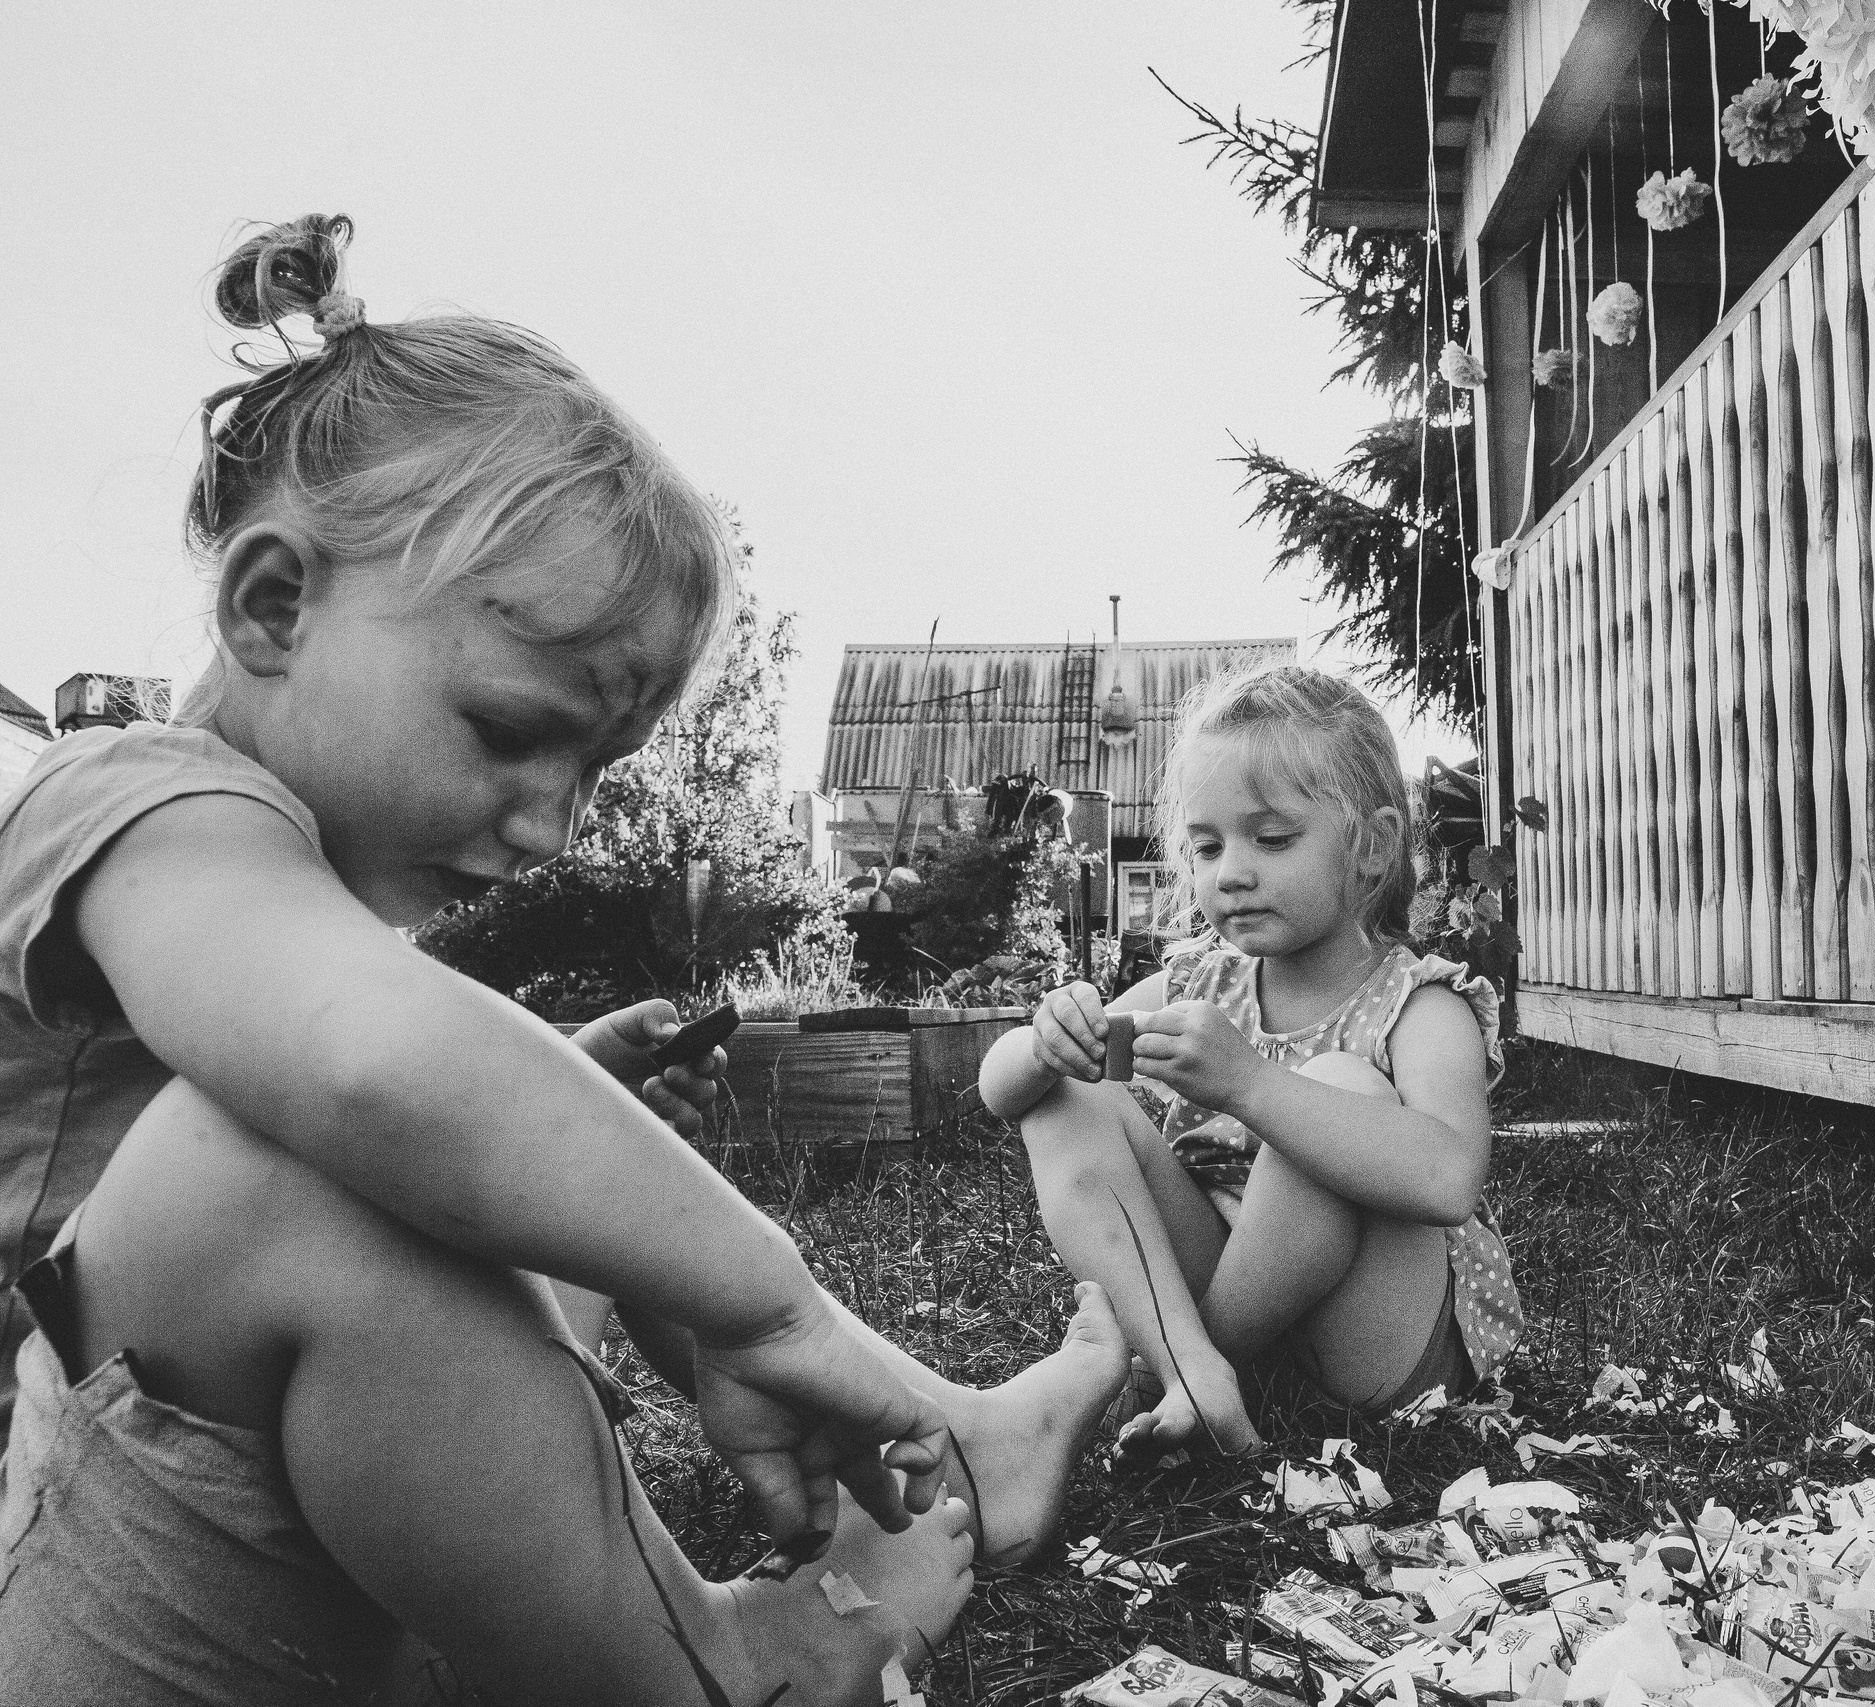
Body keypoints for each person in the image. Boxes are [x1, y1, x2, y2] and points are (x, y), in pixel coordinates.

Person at [0, 215, 1125, 1705]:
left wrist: (566, 1110)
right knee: (312, 1157)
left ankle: (943, 1434)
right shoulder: (119, 799)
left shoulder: (259, 884)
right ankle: (735, 1665)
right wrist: (762, 1299)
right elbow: (368, 1070)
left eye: (595, 767)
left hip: (215, 1566)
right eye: (512, 729)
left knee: (476, 1149)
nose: (549, 823)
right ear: (276, 606)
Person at [980, 665, 1523, 1457]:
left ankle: (1203, 1368)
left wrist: (1253, 1084)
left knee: (1332, 1090)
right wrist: (1043, 1041)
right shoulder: (1200, 983)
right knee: (1067, 1096)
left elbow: (1448, 1177)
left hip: (1374, 1342)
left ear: (1370, 847)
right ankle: (1190, 1367)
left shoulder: (1421, 1003)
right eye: (1206, 845)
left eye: (1271, 838)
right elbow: (1001, 1092)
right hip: (1226, 1291)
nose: (1230, 869)